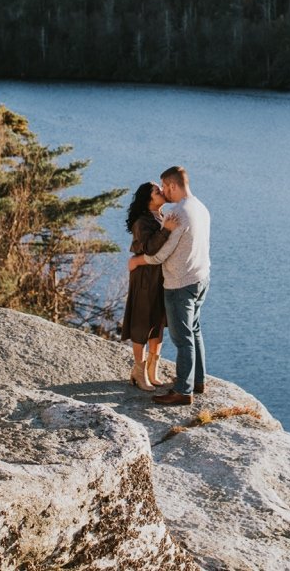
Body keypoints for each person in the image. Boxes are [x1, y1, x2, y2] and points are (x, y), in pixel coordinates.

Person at [129, 165, 209, 406]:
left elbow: (160, 255)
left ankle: (183, 391)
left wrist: (137, 260)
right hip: (200, 277)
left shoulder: (179, 213)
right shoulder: (200, 207)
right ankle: (197, 380)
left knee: (182, 338)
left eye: (164, 187)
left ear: (173, 185)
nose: (164, 191)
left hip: (180, 283)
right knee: (194, 330)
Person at [121, 181, 168, 390]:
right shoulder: (142, 222)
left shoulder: (163, 216)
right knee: (142, 321)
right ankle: (138, 372)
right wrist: (167, 230)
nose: (162, 192)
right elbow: (149, 249)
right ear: (148, 199)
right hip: (145, 277)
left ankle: (152, 369)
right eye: (157, 191)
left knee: (158, 320)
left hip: (160, 276)